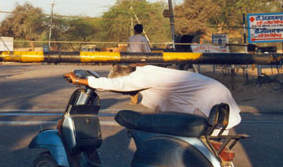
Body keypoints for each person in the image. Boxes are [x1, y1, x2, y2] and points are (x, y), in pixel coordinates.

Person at [64, 65, 241, 129]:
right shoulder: (149, 73)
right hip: (218, 103)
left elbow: (118, 85)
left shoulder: (143, 76)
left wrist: (81, 80)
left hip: (211, 106)